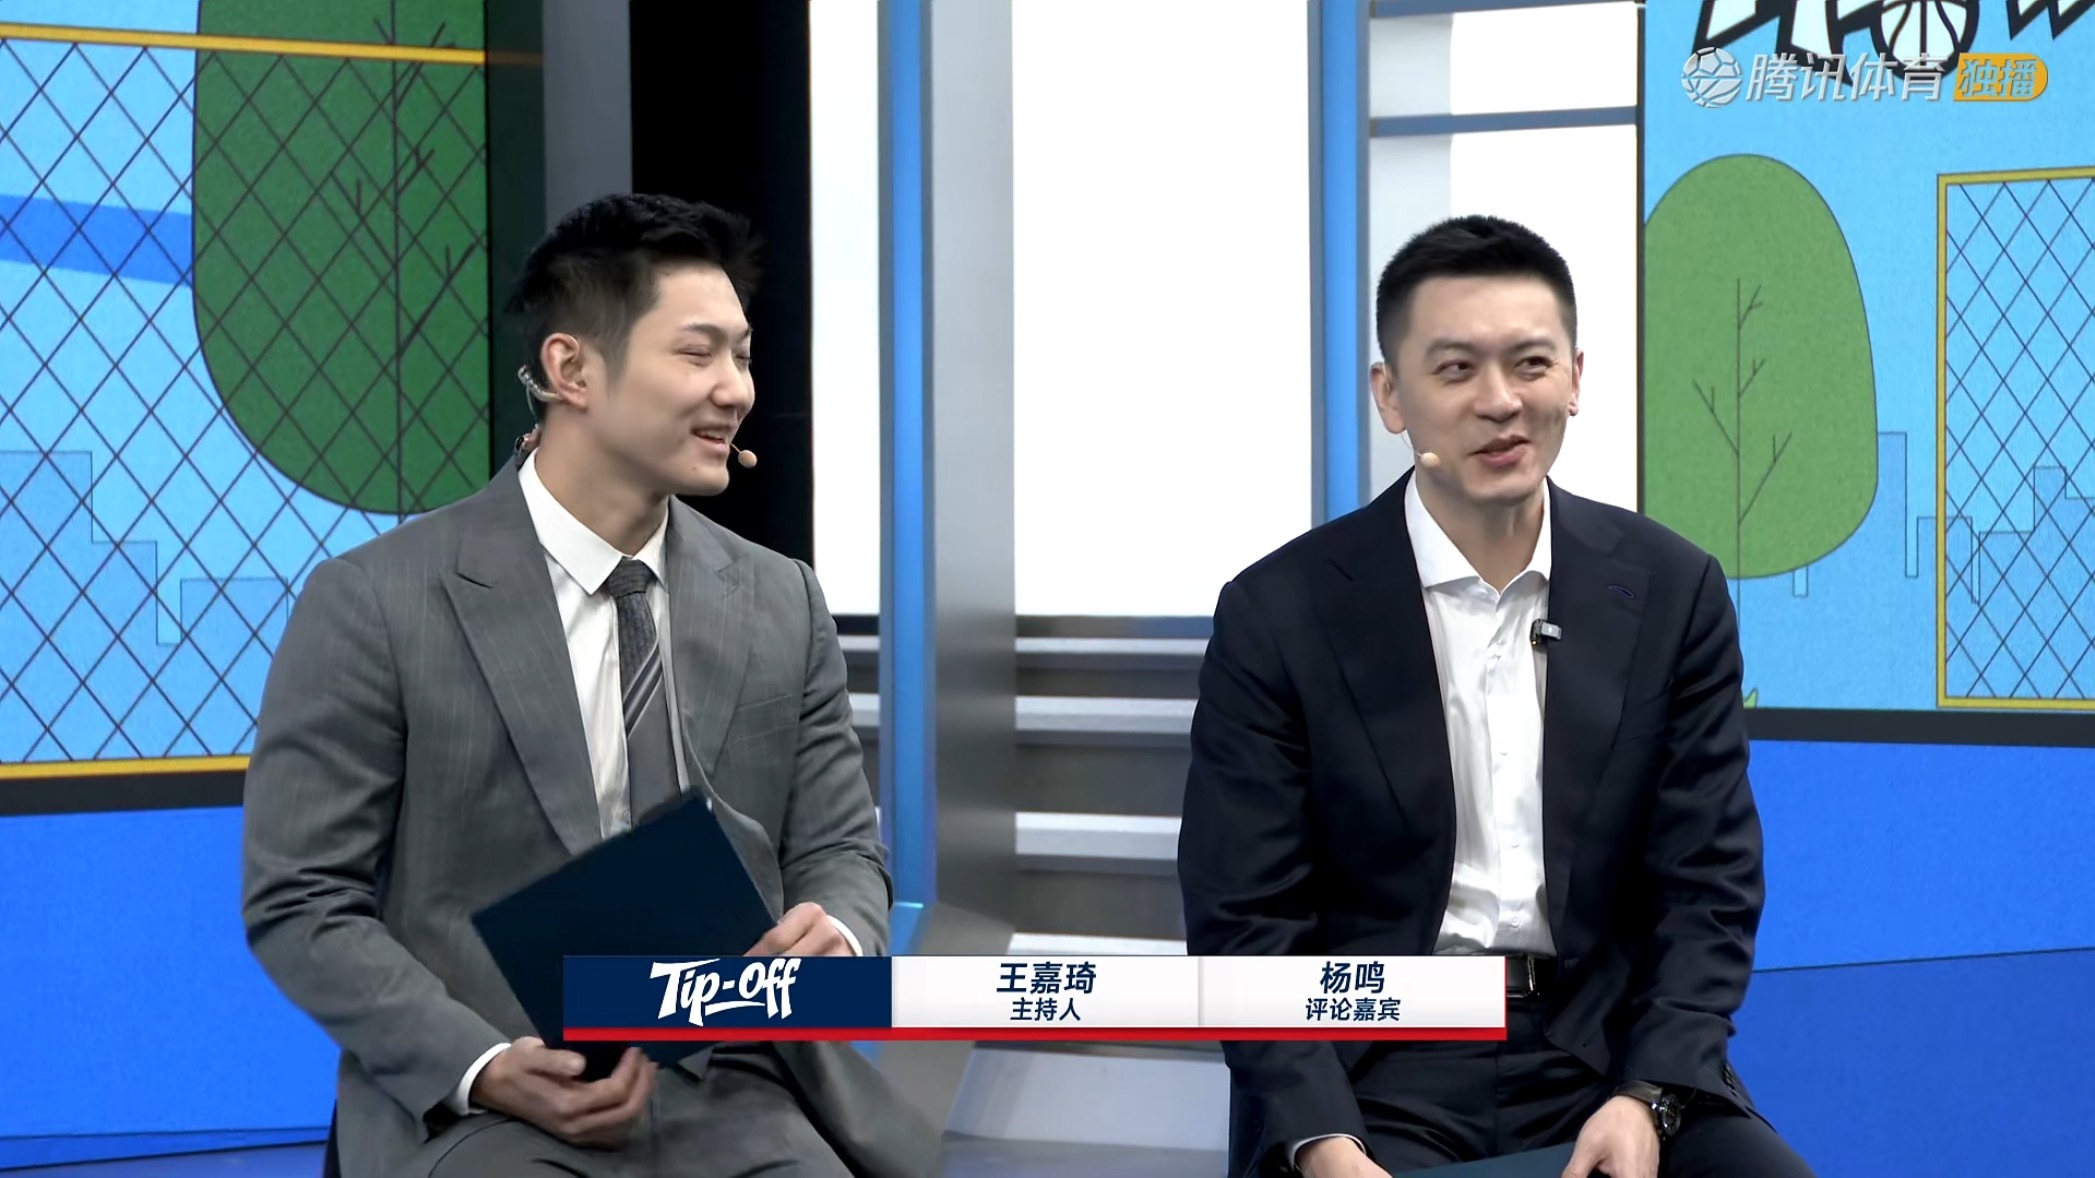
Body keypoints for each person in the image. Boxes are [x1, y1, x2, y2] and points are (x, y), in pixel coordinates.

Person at [241, 194, 939, 1178]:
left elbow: (840, 851)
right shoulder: (377, 601)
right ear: (571, 369)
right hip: (493, 1100)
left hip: (737, 1087)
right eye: (697, 354)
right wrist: (482, 1066)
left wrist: (837, 933)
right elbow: (301, 897)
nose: (735, 389)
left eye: (742, 356)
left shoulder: (781, 599)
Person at [1177, 215, 1815, 1178]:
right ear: (1390, 396)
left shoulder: (1670, 589)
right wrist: (1322, 1137)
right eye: (1455, 370)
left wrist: (1646, 1096)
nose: (1500, 402)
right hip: (1375, 1064)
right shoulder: (1279, 611)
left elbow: (1707, 883)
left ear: (1575, 378)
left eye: (1529, 364)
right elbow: (1243, 920)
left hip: (1605, 1048)